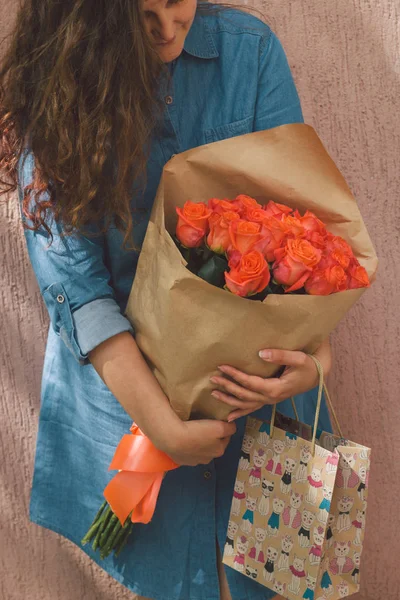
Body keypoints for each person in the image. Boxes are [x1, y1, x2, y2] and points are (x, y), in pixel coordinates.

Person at [0, 1, 333, 599]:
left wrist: (315, 362)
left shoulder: (250, 52)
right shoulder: (62, 91)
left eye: (177, 2)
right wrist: (164, 428)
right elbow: (79, 293)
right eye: (141, 12)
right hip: (128, 405)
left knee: (283, 582)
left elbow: (301, 228)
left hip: (269, 401)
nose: (166, 28)